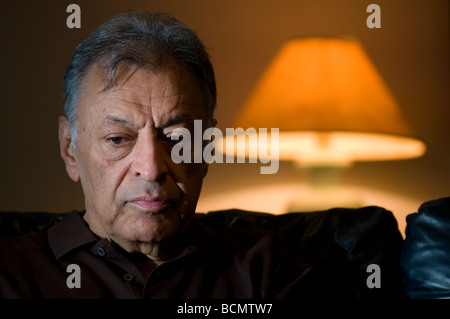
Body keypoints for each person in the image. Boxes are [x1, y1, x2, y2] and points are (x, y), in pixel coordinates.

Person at [0, 11, 318, 298]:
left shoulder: (265, 270)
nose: (151, 169)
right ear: (70, 148)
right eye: (117, 138)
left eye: (177, 139)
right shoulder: (12, 273)